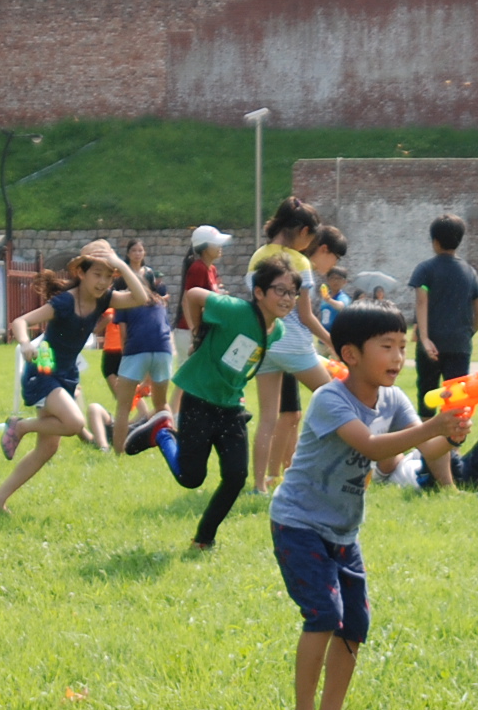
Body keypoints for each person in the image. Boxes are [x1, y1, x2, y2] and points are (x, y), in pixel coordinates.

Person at [268, 302, 472, 710]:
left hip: (343, 530)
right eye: (387, 347)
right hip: (299, 522)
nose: (398, 358)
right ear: (351, 354)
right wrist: (433, 429)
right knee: (323, 615)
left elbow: (408, 454)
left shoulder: (394, 400)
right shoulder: (329, 399)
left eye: (403, 347)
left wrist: (453, 434)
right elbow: (371, 443)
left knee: (354, 623)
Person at [126, 257, 298, 549]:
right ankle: (162, 432)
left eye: (293, 292)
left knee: (235, 476)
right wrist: (197, 331)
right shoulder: (235, 310)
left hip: (231, 407)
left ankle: (204, 538)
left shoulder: (277, 330)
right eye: (280, 290)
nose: (287, 298)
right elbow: (193, 295)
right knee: (191, 478)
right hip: (199, 398)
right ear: (259, 292)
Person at [0, 240, 149, 510]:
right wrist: (26, 344)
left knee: (48, 448)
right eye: (97, 274)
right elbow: (20, 322)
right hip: (43, 373)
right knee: (74, 424)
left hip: (66, 376)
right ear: (81, 273)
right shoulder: (63, 302)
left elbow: (141, 298)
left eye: (109, 277)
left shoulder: (104, 299)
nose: (103, 282)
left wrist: (120, 264)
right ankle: (20, 426)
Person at [247, 198, 335, 493]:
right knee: (337, 400)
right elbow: (306, 316)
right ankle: (347, 469)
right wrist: (333, 342)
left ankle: (259, 485)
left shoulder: (258, 256)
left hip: (264, 342)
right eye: (311, 238)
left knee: (268, 418)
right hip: (294, 344)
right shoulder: (298, 262)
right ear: (303, 231)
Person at [408, 213, 478, 409]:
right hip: (460, 344)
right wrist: (468, 333)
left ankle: (425, 439)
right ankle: (452, 438)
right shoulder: (469, 272)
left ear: (435, 241)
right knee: (456, 399)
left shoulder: (425, 269)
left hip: (431, 345)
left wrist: (424, 339)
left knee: (427, 397)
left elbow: (421, 302)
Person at [110, 239, 173, 453]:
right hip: (164, 350)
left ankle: (118, 452)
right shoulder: (160, 301)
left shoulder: (127, 301)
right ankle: (170, 445)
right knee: (162, 405)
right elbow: (164, 329)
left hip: (136, 349)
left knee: (123, 407)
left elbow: (124, 335)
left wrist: (124, 363)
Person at [375, 421, 478, 494]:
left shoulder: (411, 453)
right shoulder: (386, 471)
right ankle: (451, 493)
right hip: (430, 481)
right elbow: (387, 452)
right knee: (434, 443)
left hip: (456, 467)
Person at [179, 224, 232, 356]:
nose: (220, 247)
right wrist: (195, 333)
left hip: (203, 331)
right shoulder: (198, 268)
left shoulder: (212, 269)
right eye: (216, 243)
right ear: (205, 247)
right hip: (190, 331)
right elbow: (187, 301)